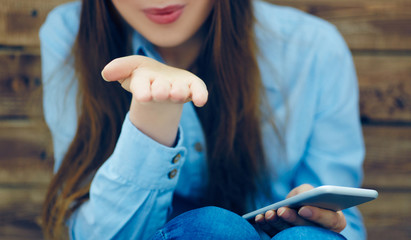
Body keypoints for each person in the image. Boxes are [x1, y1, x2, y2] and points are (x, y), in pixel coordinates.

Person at [39, 0, 365, 239]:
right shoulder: (70, 34)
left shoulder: (314, 49)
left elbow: (346, 222)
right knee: (214, 229)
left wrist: (321, 219)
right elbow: (93, 234)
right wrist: (154, 111)